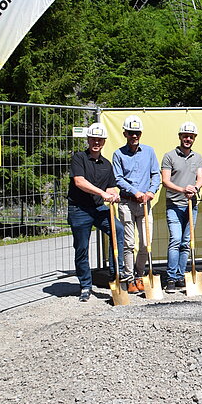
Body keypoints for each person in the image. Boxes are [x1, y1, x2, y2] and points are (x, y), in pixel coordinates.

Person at [67, 122, 125, 302]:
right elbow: (79, 181)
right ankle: (85, 285)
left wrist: (114, 194)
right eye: (93, 139)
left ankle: (116, 272)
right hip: (79, 209)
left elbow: (112, 186)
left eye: (99, 139)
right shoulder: (79, 158)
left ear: (104, 142)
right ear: (88, 139)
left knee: (118, 230)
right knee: (82, 248)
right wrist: (102, 193)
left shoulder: (107, 164)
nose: (96, 142)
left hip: (99, 208)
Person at [112, 115, 161, 293]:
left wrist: (151, 191)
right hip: (127, 202)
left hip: (145, 204)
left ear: (141, 134)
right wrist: (135, 191)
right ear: (125, 133)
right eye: (131, 133)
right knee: (129, 243)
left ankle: (139, 274)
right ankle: (129, 278)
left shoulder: (149, 152)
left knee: (146, 243)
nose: (134, 136)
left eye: (137, 133)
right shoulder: (118, 154)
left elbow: (156, 174)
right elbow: (118, 178)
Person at [161, 121, 202, 290]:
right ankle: (171, 278)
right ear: (180, 137)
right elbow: (165, 181)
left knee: (186, 242)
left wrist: (195, 189)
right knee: (176, 240)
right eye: (185, 136)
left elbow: (200, 178)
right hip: (174, 205)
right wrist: (182, 189)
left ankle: (180, 275)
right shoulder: (169, 156)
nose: (188, 139)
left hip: (191, 205)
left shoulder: (197, 157)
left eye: (191, 136)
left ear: (194, 138)